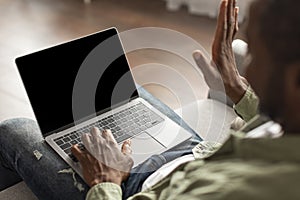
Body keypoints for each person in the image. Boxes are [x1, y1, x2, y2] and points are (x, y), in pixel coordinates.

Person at [0, 0, 299, 199]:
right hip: (192, 154)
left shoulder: (239, 191)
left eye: (258, 56)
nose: (251, 69)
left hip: (132, 188)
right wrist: (237, 89)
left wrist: (107, 180)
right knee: (126, 97)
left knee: (13, 129)